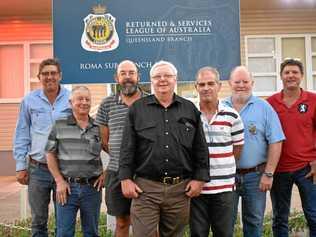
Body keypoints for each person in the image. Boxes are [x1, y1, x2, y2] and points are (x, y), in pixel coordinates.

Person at [118, 60, 209, 237]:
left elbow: (200, 147)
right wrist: (125, 178)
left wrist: (200, 178)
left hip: (180, 190)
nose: (162, 80)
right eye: (157, 76)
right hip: (145, 189)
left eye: (167, 76)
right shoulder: (138, 109)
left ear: (176, 79)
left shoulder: (189, 109)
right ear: (150, 80)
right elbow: (127, 147)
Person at [223, 66, 284, 237]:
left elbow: (276, 141)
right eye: (237, 82)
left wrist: (269, 174)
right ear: (229, 83)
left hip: (255, 177)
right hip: (227, 177)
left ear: (252, 83)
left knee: (254, 223)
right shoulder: (221, 107)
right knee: (225, 223)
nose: (241, 85)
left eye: (245, 81)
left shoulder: (264, 108)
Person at [13, 58, 71, 237]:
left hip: (65, 170)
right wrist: (21, 166)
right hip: (38, 169)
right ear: (39, 77)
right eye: (45, 74)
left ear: (60, 76)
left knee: (64, 220)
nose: (49, 77)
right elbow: (22, 133)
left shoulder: (71, 99)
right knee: (38, 221)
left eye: (53, 73)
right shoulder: (29, 101)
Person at [190, 66, 244, 237]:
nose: (206, 88)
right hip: (197, 190)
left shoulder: (232, 116)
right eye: (202, 84)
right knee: (198, 234)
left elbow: (237, 148)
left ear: (219, 86)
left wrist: (221, 166)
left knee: (224, 234)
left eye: (211, 83)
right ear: (196, 87)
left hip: (224, 191)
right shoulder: (188, 115)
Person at [46, 86, 105, 237]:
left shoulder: (98, 128)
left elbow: (115, 152)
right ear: (71, 102)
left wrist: (107, 173)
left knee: (91, 233)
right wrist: (59, 181)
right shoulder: (59, 125)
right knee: (64, 233)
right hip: (67, 189)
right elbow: (49, 154)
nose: (84, 102)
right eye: (80, 99)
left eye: (87, 99)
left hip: (92, 189)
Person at [95, 60, 145, 237]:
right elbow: (104, 141)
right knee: (122, 222)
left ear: (138, 76)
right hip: (116, 172)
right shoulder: (107, 104)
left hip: (145, 173)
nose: (127, 77)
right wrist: (123, 157)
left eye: (131, 73)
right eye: (123, 73)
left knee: (148, 224)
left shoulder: (150, 102)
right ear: (116, 78)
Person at [267, 59, 316, 237]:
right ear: (281, 76)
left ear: (301, 76)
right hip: (279, 169)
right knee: (280, 218)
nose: (291, 76)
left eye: (295, 72)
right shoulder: (270, 103)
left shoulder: (313, 100)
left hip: (307, 169)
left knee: (313, 215)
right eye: (287, 72)